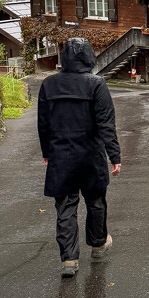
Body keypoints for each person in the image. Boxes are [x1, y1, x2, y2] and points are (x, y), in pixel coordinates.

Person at [38, 37, 121, 278]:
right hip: (90, 155)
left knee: (65, 207)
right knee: (95, 202)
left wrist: (46, 152)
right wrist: (114, 156)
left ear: (65, 58)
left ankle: (69, 260)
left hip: (60, 156)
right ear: (89, 57)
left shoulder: (49, 84)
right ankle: (97, 245)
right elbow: (106, 124)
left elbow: (43, 123)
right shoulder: (96, 84)